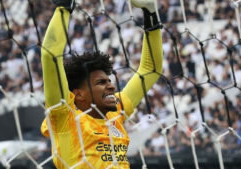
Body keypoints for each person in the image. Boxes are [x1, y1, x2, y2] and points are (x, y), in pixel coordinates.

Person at [40, 0, 163, 168]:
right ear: (79, 94)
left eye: (109, 81)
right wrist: (64, 7)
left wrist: (150, 13)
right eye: (101, 82)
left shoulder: (115, 112)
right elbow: (50, 55)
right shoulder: (66, 117)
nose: (111, 87)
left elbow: (151, 70)